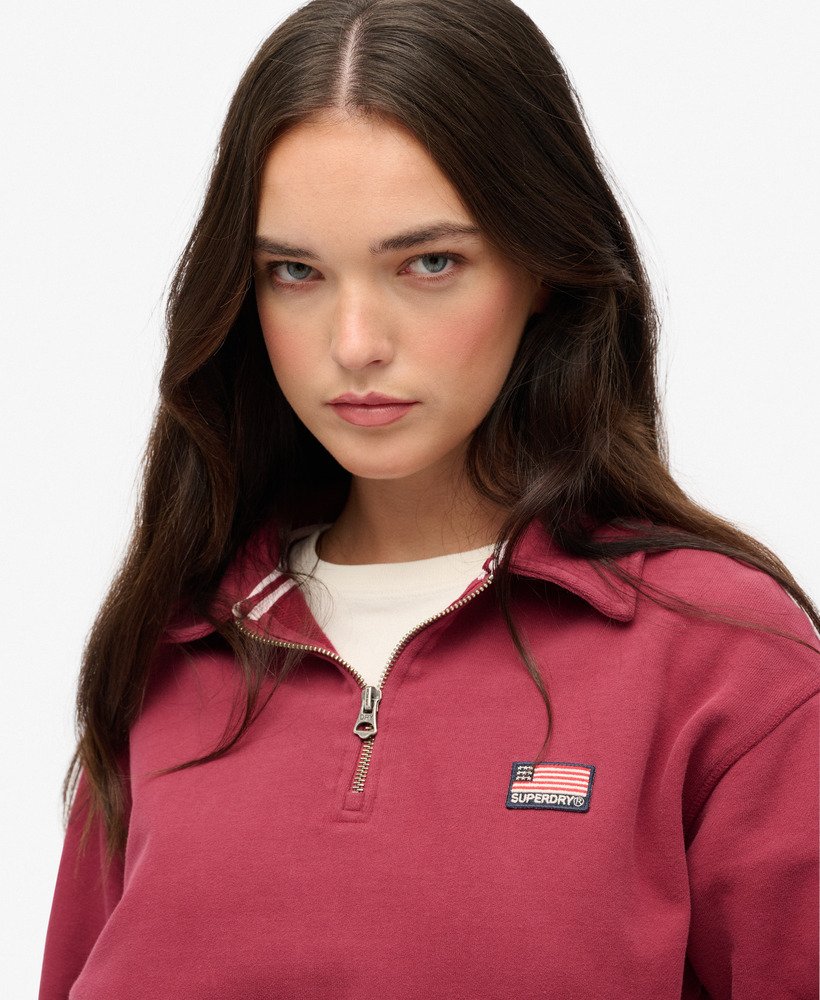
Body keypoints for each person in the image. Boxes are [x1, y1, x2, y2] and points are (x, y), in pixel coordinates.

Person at [38, 1, 818, 997]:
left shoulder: (724, 660)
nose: (355, 342)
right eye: (295, 272)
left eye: (429, 263)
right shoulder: (169, 651)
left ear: (543, 267)